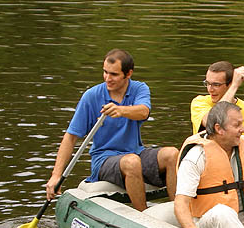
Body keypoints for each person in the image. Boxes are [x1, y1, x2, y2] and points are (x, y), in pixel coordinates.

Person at [45, 49, 178, 211]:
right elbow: (70, 137)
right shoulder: (91, 96)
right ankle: (143, 216)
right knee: (132, 162)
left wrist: (121, 110)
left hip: (136, 151)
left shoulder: (139, 89)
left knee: (172, 154)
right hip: (104, 159)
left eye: (114, 74)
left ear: (128, 74)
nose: (108, 78)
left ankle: (178, 210)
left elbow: (143, 111)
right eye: (105, 72)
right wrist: (55, 175)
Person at [190, 61, 244, 138]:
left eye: (216, 85)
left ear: (229, 84)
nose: (210, 89)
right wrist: (234, 85)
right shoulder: (199, 102)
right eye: (207, 83)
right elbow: (212, 121)